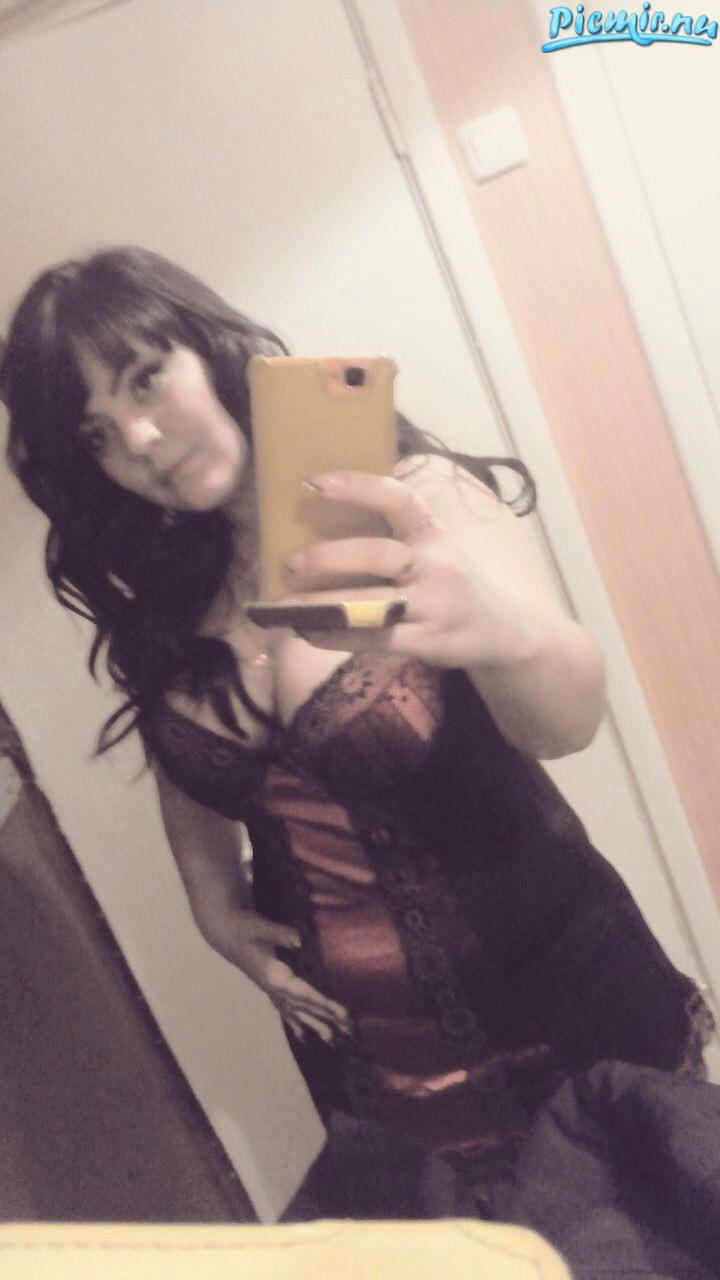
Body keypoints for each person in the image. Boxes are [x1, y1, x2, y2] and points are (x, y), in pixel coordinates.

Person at [1, 246, 712, 1219]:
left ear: (206, 346)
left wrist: (501, 633)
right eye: (97, 432)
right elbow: (191, 763)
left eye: (145, 378)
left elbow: (566, 724)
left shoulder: (408, 498)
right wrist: (212, 905)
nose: (141, 436)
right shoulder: (168, 589)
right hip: (368, 1070)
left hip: (563, 1006)